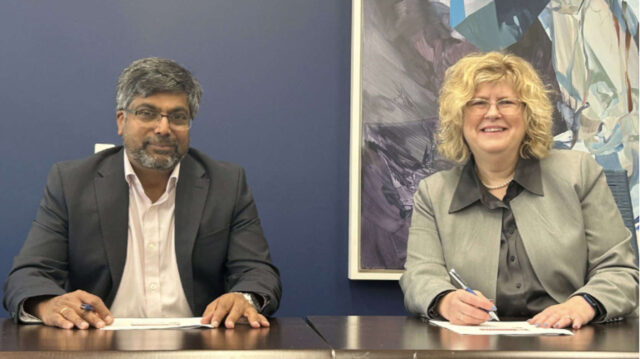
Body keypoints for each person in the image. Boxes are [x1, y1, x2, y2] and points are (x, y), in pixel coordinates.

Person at [3, 57, 282, 330]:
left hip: (197, 347)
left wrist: (243, 298)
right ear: (121, 121)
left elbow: (257, 272)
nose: (163, 128)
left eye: (178, 117)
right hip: (100, 347)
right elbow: (28, 276)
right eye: (147, 113)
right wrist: (49, 304)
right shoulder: (72, 182)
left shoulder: (226, 183)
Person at [400, 52, 638, 329]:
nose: (492, 113)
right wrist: (445, 300)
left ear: (529, 115)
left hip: (572, 343)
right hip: (475, 348)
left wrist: (582, 304)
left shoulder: (579, 172)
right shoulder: (433, 192)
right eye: (477, 103)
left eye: (506, 102)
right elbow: (418, 275)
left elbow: (619, 271)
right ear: (459, 118)